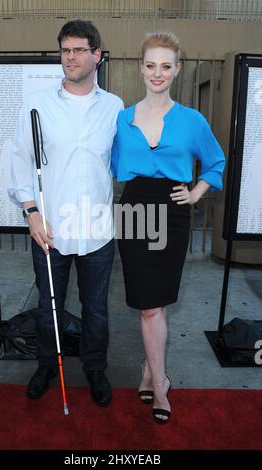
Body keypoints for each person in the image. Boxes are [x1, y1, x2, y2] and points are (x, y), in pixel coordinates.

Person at [112, 32, 225, 424]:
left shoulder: (192, 121)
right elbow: (102, 165)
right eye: (150, 65)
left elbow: (215, 163)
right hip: (133, 211)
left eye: (165, 66)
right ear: (140, 68)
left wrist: (195, 194)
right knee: (147, 305)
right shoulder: (122, 118)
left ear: (177, 70)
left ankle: (153, 376)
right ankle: (158, 379)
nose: (157, 73)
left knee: (155, 304)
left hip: (173, 213)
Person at [9, 19, 123, 405]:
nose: (70, 56)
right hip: (51, 230)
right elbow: (20, 160)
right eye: (65, 50)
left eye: (78, 49)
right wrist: (31, 212)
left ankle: (95, 369)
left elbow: (123, 162)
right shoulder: (37, 103)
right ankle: (45, 364)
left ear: (97, 55)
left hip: (97, 231)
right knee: (48, 307)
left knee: (96, 309)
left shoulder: (114, 107)